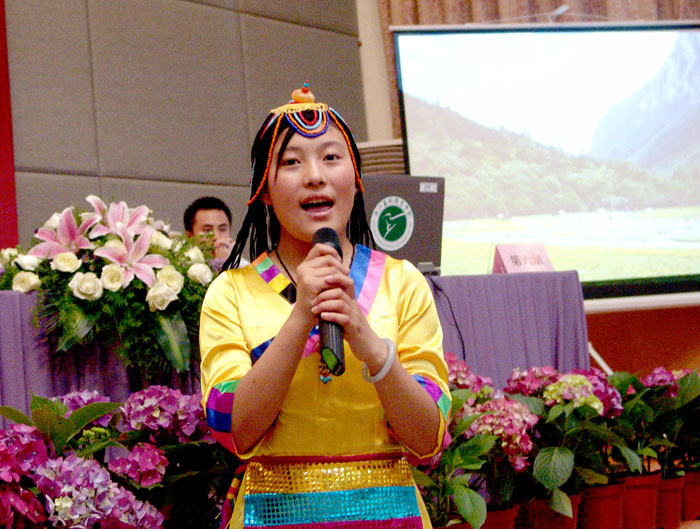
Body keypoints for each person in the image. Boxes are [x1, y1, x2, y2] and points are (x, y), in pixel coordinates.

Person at [199, 83, 450, 529]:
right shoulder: (230, 293)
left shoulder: (403, 283)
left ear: (356, 178)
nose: (315, 175)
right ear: (264, 190)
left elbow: (428, 437)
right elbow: (232, 430)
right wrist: (300, 319)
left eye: (331, 157)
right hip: (271, 516)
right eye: (292, 162)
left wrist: (369, 344)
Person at [184, 196, 235, 261]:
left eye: (222, 229)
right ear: (190, 236)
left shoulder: (243, 265)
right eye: (208, 230)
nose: (216, 237)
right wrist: (220, 262)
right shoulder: (180, 264)